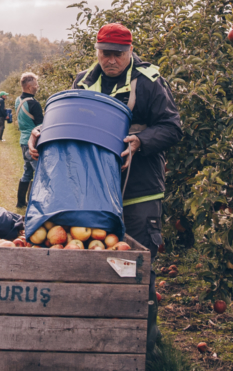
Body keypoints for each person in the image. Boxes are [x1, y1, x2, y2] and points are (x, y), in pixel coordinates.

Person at [27, 23, 181, 257]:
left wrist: (140, 141)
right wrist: (41, 131)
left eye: (118, 54)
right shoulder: (83, 82)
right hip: (92, 191)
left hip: (138, 188)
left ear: (130, 51)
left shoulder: (150, 82)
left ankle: (142, 296)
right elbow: (69, 121)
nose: (111, 60)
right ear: (97, 51)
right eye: (105, 53)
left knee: (137, 260)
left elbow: (172, 127)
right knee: (95, 261)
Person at [13, 72, 44, 209]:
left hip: (23, 141)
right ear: (30, 86)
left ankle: (20, 202)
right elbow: (41, 125)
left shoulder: (17, 101)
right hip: (33, 143)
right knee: (39, 173)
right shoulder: (34, 104)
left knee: (27, 171)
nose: (38, 87)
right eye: (36, 84)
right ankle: (33, 204)